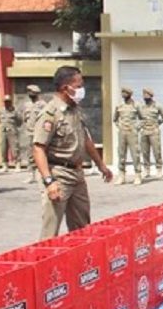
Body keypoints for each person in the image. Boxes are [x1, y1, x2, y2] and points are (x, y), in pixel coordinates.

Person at [33, 65, 113, 238]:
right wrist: (49, 181)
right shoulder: (50, 114)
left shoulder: (75, 110)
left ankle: (81, 263)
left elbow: (85, 139)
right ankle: (45, 263)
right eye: (78, 87)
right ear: (65, 88)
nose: (81, 90)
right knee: (50, 230)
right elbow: (38, 148)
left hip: (77, 174)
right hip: (58, 175)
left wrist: (101, 166)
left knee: (82, 227)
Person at [112, 87, 142, 185]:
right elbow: (115, 118)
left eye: (125, 93)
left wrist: (136, 128)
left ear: (130, 94)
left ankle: (137, 175)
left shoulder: (136, 105)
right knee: (121, 154)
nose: (123, 94)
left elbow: (142, 119)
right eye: (122, 92)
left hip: (132, 132)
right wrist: (119, 126)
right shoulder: (119, 105)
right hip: (122, 132)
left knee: (135, 154)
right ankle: (121, 176)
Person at [138, 88, 163, 179]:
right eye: (144, 95)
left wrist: (158, 123)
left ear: (151, 96)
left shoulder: (157, 106)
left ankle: (159, 169)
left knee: (157, 151)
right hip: (144, 131)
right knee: (145, 152)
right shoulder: (141, 107)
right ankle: (146, 170)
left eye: (147, 95)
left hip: (154, 131)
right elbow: (140, 118)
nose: (145, 97)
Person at [20, 84, 45, 184]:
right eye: (28, 92)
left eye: (32, 92)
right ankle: (31, 175)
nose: (30, 94)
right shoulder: (27, 105)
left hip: (40, 133)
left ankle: (42, 174)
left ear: (36, 93)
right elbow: (24, 118)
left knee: (41, 153)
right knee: (30, 155)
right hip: (30, 133)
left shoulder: (43, 104)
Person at [0, 95, 22, 172]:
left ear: (11, 102)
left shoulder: (15, 111)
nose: (7, 103)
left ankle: (17, 164)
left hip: (12, 131)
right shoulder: (1, 110)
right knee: (3, 148)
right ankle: (5, 165)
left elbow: (20, 121)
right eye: (5, 102)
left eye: (8, 102)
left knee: (14, 148)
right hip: (3, 131)